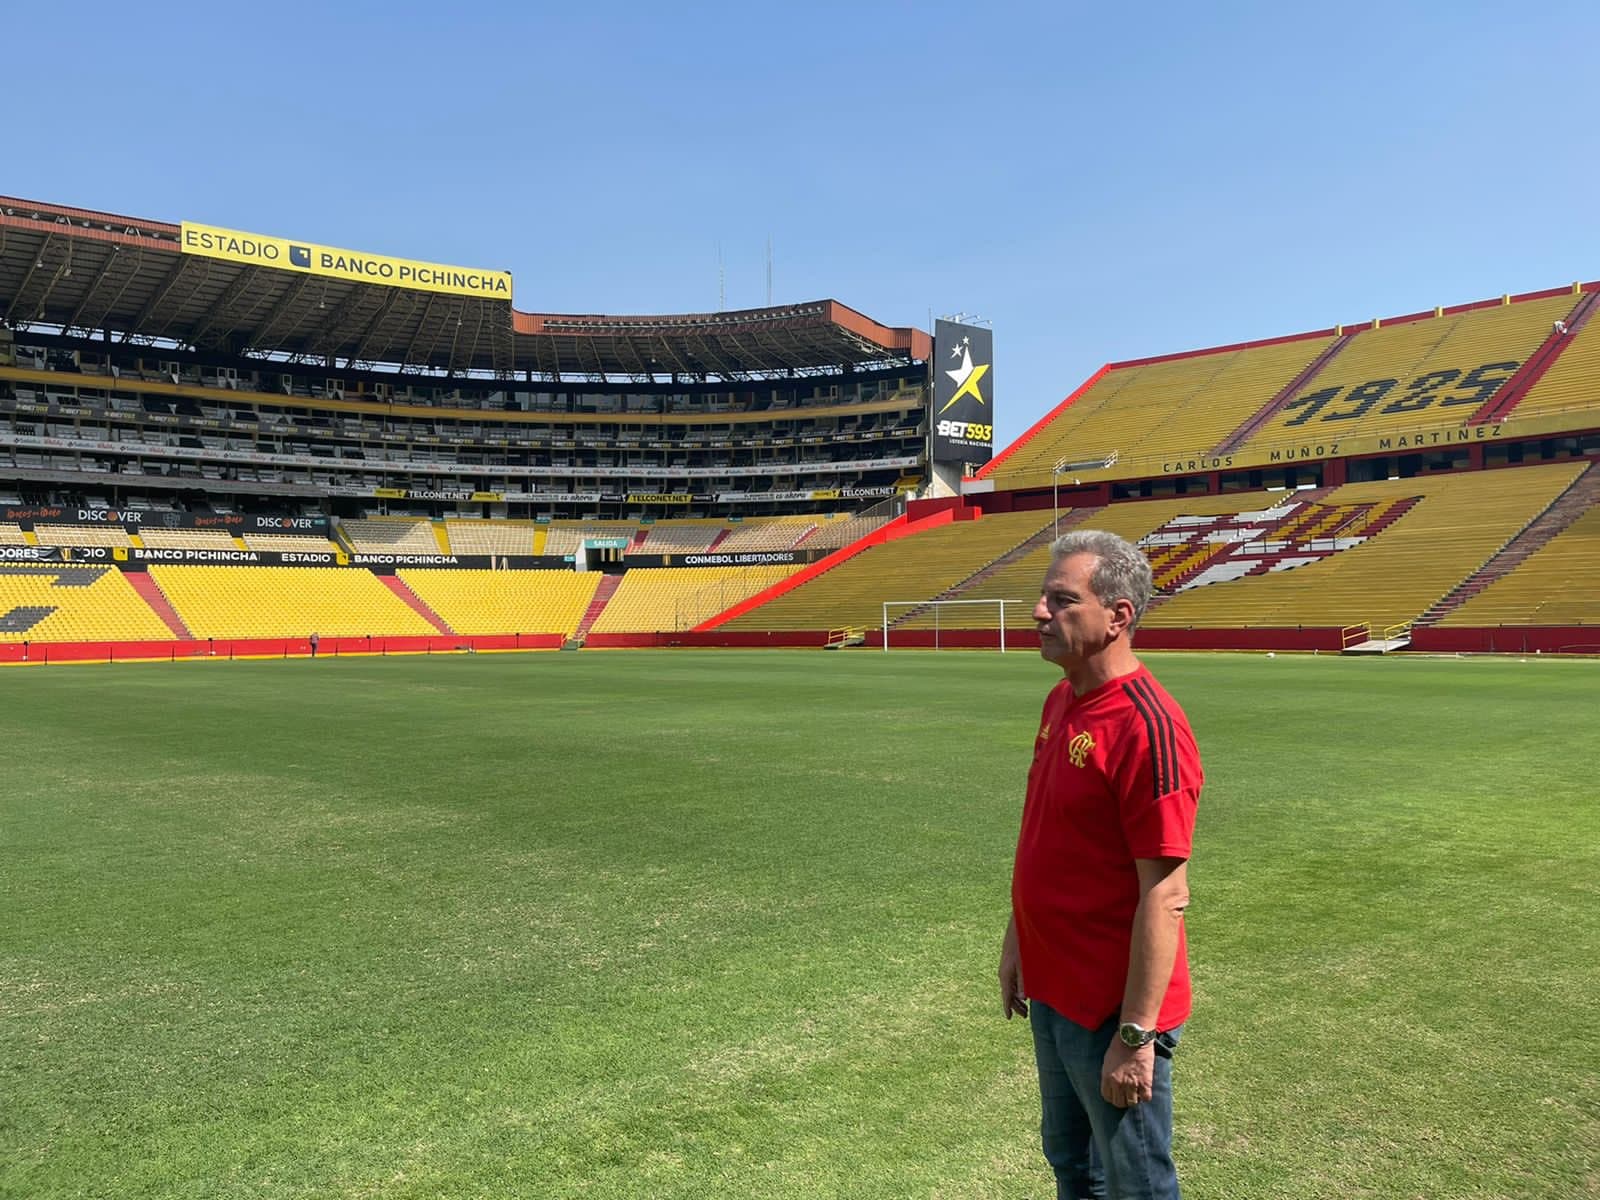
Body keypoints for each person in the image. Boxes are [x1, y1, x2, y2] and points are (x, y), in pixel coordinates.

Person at [1000, 529, 1203, 1200]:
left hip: (1110, 1012)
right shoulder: (1061, 701)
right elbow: (1047, 838)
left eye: (1062, 599)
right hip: (1054, 988)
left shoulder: (1149, 727)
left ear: (1118, 616)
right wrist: (1016, 942)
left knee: (1136, 1182)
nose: (1038, 612)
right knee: (1071, 1162)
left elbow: (1166, 895)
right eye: (1043, 596)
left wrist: (1136, 1037)